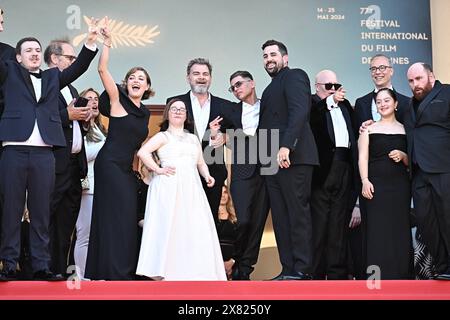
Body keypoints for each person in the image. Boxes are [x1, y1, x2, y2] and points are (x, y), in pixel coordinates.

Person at [0, 24, 99, 281]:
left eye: (37, 49)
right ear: (18, 57)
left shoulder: (52, 77)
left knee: (41, 211)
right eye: (28, 50)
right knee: (11, 209)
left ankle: (41, 265)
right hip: (14, 150)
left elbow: (78, 68)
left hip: (45, 153)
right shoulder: (7, 72)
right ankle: (8, 264)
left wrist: (90, 42)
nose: (34, 53)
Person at [85, 22, 152, 280]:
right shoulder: (116, 100)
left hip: (126, 169)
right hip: (109, 165)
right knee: (117, 216)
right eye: (132, 77)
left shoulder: (146, 113)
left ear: (147, 87)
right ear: (127, 83)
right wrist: (107, 43)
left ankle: (122, 269)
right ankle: (115, 272)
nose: (136, 81)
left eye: (141, 79)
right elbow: (102, 69)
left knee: (125, 217)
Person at [136, 99, 226, 280]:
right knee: (169, 225)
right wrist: (158, 169)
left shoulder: (193, 138)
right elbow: (142, 153)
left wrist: (207, 175)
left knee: (192, 225)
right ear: (168, 113)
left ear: (186, 116)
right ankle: (166, 270)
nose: (178, 111)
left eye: (182, 109)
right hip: (168, 186)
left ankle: (193, 270)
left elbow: (200, 162)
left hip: (192, 187)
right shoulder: (162, 136)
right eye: (174, 109)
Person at [258, 40, 319, 280]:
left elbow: (299, 111)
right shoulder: (269, 88)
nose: (269, 58)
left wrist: (286, 146)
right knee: (281, 217)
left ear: (285, 57)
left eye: (273, 54)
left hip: (293, 157)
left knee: (297, 214)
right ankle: (289, 269)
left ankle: (303, 269)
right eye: (265, 56)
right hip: (272, 161)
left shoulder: (295, 76)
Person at [353, 54, 410, 279]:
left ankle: (402, 278)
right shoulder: (364, 117)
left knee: (399, 230)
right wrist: (364, 181)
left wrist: (404, 155)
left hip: (400, 186)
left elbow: (413, 153)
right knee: (376, 232)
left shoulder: (407, 110)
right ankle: (375, 281)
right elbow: (360, 157)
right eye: (379, 102)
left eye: (382, 67)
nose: (383, 104)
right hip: (375, 186)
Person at [209, 70, 270, 280]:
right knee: (243, 221)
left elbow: (270, 134)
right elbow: (214, 136)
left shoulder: (269, 106)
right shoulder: (230, 111)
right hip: (242, 173)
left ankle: (245, 270)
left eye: (239, 84)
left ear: (252, 83)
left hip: (268, 171)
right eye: (232, 87)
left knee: (257, 224)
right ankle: (234, 260)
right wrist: (218, 134)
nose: (236, 89)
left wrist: (231, 136)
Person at [44, 38, 91, 277]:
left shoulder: (71, 89)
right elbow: (39, 120)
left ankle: (59, 270)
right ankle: (41, 270)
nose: (73, 62)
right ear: (54, 58)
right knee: (48, 219)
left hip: (73, 167)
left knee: (66, 222)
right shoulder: (42, 83)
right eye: (70, 58)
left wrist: (81, 117)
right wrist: (67, 114)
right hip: (54, 165)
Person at [309, 70, 358, 280]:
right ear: (317, 86)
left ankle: (337, 274)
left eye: (336, 85)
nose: (333, 89)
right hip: (322, 171)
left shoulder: (345, 106)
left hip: (344, 165)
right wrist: (329, 101)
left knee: (338, 223)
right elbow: (312, 120)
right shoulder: (313, 105)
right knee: (319, 225)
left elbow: (353, 130)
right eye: (328, 86)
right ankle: (317, 274)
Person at [166, 58, 229, 221]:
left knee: (209, 221)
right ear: (188, 77)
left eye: (205, 74)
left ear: (210, 78)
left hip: (214, 174)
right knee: (182, 219)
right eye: (196, 73)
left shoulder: (225, 106)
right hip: (181, 172)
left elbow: (239, 135)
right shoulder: (174, 103)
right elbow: (165, 135)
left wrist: (225, 137)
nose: (201, 77)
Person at [404, 63, 450, 280]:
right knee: (426, 221)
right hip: (418, 171)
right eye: (411, 81)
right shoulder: (408, 104)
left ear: (431, 76)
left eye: (419, 79)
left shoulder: (447, 93)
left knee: (448, 218)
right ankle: (442, 267)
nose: (415, 85)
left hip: (444, 168)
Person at [73, 88, 106, 280]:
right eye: (89, 99)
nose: (93, 102)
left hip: (100, 188)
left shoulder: (99, 128)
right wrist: (108, 144)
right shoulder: (79, 128)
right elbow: (83, 155)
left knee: (95, 236)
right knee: (84, 235)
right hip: (87, 188)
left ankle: (91, 275)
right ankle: (81, 276)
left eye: (96, 99)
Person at [216, 185, 238, 280]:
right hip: (214, 262)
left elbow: (240, 242)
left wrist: (232, 262)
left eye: (225, 192)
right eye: (220, 193)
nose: (223, 195)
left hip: (232, 264)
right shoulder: (211, 218)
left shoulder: (235, 218)